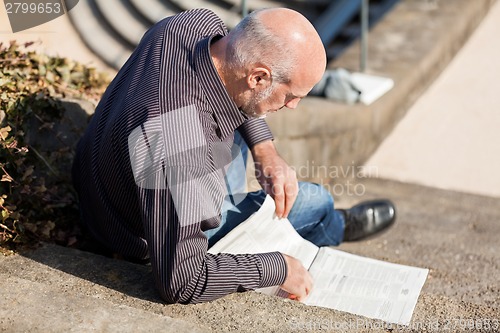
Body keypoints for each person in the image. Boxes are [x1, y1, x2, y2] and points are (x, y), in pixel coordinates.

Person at [72, 7, 395, 305]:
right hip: (135, 230)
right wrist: (276, 267)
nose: (293, 106)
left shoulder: (191, 25)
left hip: (106, 181)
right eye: (291, 95)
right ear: (258, 77)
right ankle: (332, 226)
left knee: (250, 136)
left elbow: (233, 78)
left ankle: (319, 223)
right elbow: (181, 282)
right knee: (314, 201)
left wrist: (264, 147)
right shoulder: (182, 146)